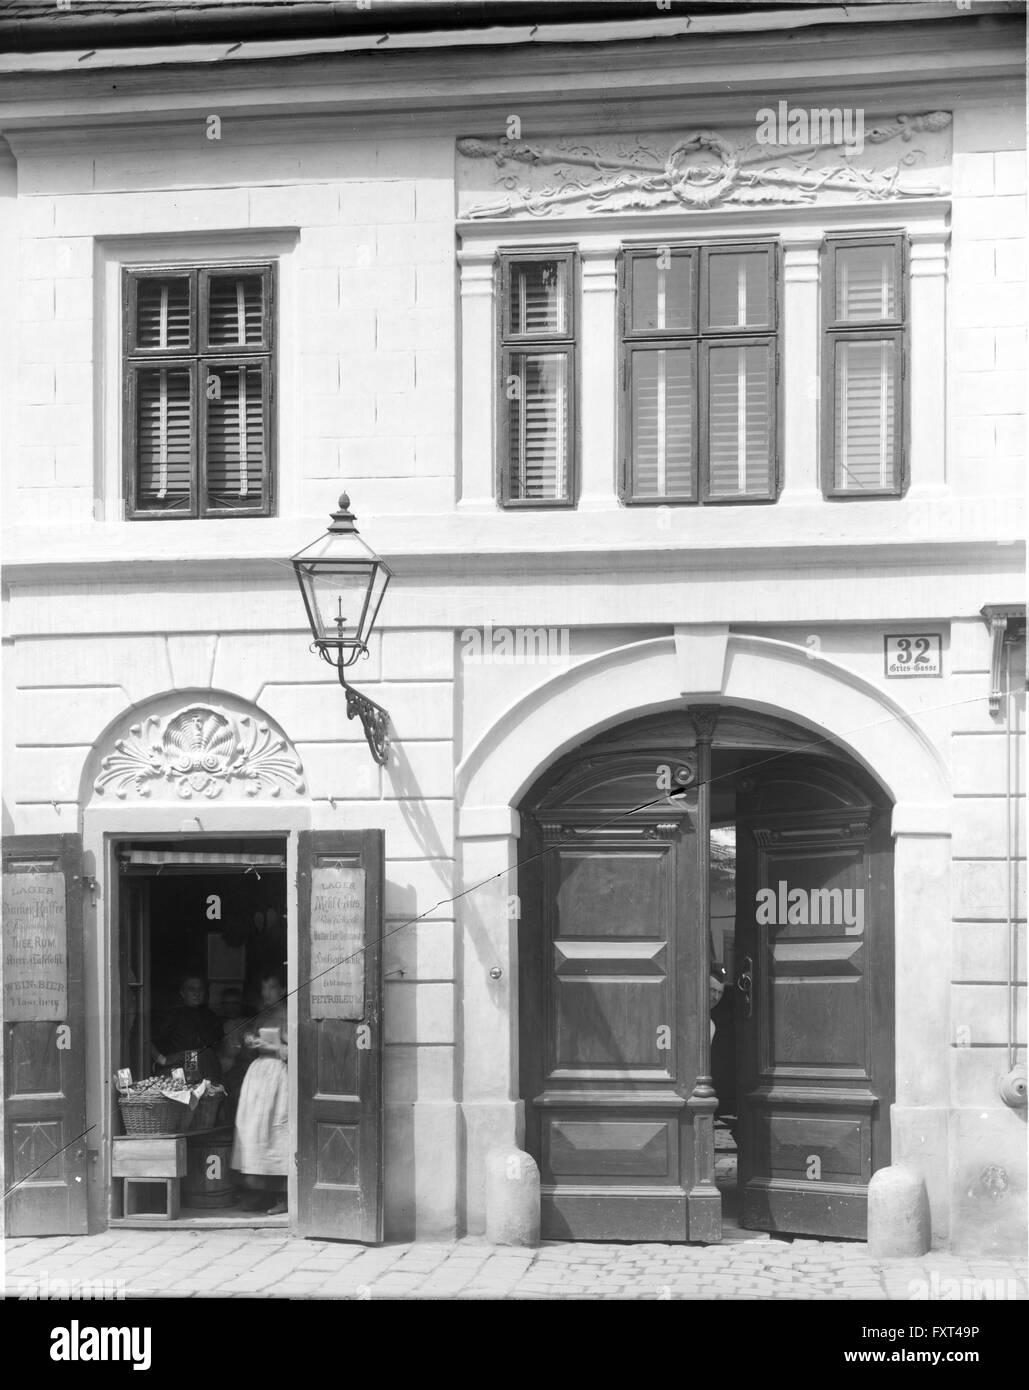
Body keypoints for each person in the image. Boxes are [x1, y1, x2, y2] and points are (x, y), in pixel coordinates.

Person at [231, 968, 288, 1214]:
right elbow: (249, 1048)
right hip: (258, 1076)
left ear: (283, 990)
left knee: (275, 1133)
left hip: (278, 1076)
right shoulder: (262, 1016)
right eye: (264, 988)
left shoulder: (288, 1015)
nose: (267, 993)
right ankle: (260, 1192)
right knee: (253, 1132)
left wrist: (269, 1045)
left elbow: (291, 1051)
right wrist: (250, 1042)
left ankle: (282, 1196)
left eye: (272, 987)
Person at [151, 972, 224, 1087]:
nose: (197, 993)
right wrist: (162, 1059)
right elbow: (145, 1038)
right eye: (191, 989)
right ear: (183, 993)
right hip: (179, 1070)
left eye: (200, 989)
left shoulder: (211, 1017)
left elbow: (220, 1046)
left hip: (207, 1070)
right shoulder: (171, 1016)